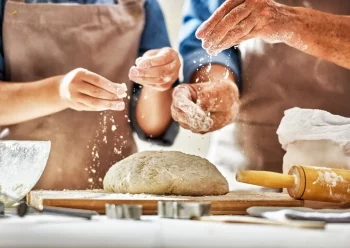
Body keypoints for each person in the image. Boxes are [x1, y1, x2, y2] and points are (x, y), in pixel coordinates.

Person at [0, 0, 180, 190]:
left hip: (110, 197)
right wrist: (58, 91)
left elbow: (153, 127)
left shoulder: (141, 4)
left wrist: (156, 81)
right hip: (15, 194)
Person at [172, 0, 350, 176]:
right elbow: (209, 28)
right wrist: (220, 84)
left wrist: (290, 22)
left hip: (342, 162)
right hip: (243, 165)